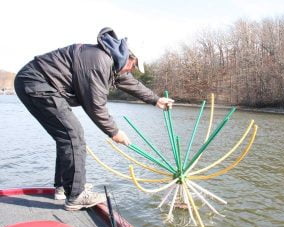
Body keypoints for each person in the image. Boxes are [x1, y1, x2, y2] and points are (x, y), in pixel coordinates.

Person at [14, 27, 174, 211]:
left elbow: (129, 82)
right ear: (129, 57)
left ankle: (64, 188)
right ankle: (75, 195)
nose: (133, 70)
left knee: (66, 135)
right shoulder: (98, 61)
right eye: (134, 66)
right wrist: (114, 131)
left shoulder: (111, 61)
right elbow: (95, 104)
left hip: (39, 83)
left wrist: (155, 99)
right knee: (73, 134)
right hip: (36, 83)